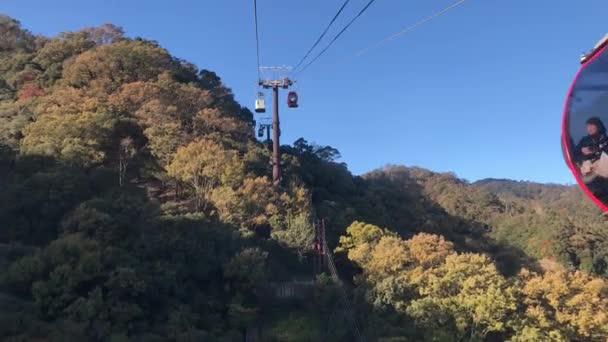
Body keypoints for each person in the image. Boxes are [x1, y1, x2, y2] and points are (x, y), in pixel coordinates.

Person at [576, 117, 608, 203]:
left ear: (598, 126)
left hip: (603, 167)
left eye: (591, 125)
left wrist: (597, 150)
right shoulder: (584, 140)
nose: (589, 128)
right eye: (587, 126)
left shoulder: (605, 139)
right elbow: (574, 154)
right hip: (589, 169)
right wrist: (582, 151)